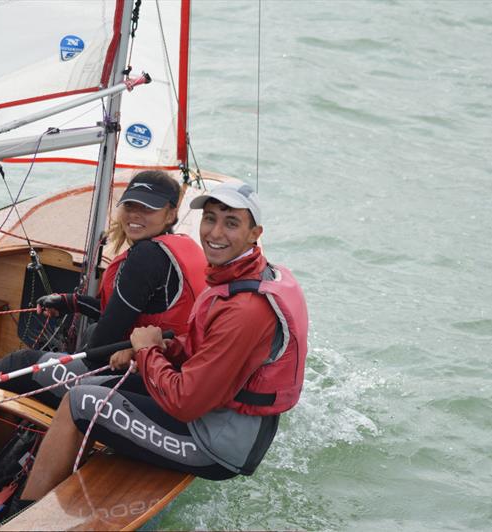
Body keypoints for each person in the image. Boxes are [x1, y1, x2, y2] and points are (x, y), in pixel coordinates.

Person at [20, 180, 309, 500]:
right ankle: (65, 486)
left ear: (255, 234)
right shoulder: (243, 274)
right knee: (95, 387)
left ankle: (26, 512)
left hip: (215, 442)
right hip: (217, 414)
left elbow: (186, 402)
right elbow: (204, 345)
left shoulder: (247, 310)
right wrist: (155, 349)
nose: (214, 233)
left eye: (231, 223)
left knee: (79, 401)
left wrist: (147, 351)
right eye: (210, 218)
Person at [0, 170, 207, 408]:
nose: (135, 215)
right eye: (131, 206)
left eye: (148, 208)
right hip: (174, 372)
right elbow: (126, 314)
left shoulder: (147, 256)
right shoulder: (183, 246)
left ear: (171, 213)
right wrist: (71, 302)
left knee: (22, 362)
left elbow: (99, 349)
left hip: (147, 383)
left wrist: (69, 365)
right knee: (87, 334)